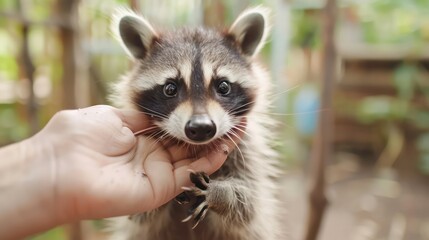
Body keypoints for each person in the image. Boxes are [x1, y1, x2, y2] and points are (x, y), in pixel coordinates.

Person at [0, 105, 242, 239]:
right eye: (170, 90)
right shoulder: (139, 145)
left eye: (221, 88)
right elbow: (140, 219)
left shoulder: (237, 143)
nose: (199, 117)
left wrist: (220, 195)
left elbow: (246, 216)